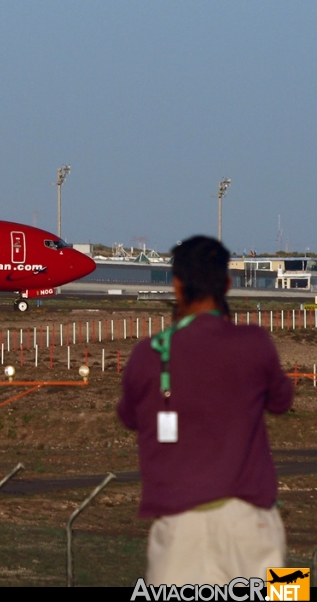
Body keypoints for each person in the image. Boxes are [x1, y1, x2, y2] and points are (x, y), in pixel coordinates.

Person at [117, 235, 293, 584]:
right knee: (285, 592)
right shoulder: (255, 343)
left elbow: (129, 416)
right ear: (227, 283)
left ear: (177, 285)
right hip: (254, 522)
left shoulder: (149, 353)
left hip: (178, 528)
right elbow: (282, 401)